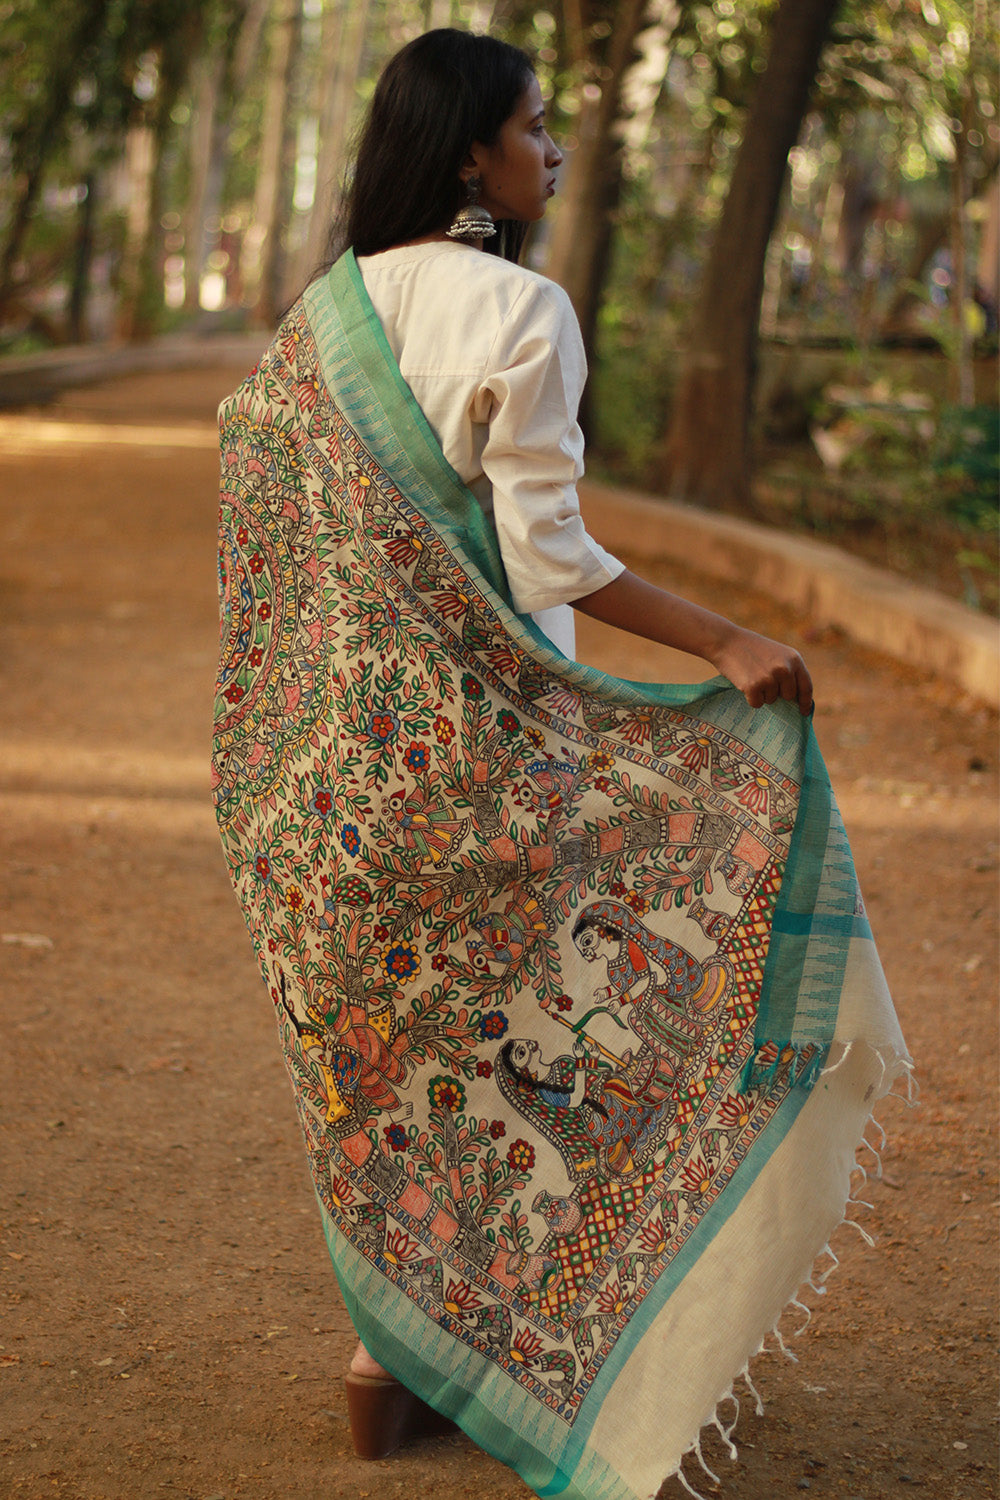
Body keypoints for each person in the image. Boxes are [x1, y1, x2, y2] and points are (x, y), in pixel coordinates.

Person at [212, 27, 906, 1500]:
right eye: (537, 126)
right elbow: (556, 559)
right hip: (493, 770)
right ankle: (536, 1359)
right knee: (541, 1035)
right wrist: (726, 645)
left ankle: (380, 1365)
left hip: (318, 795)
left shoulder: (308, 327)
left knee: (391, 1066)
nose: (556, 148)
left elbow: (271, 580)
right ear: (475, 154)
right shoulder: (520, 311)